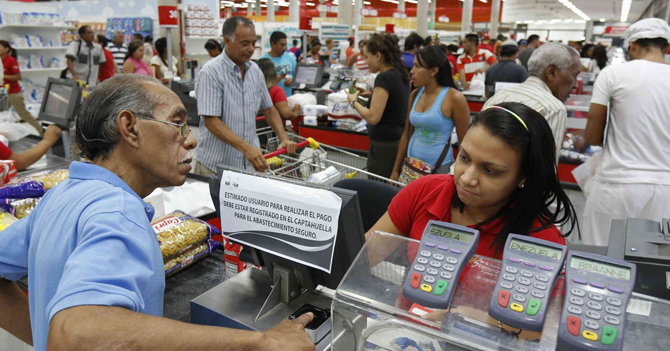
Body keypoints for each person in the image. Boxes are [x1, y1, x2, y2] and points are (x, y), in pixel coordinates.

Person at [0, 75, 315, 351]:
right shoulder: (118, 211)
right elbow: (76, 334)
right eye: (177, 123)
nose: (190, 139)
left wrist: (42, 336)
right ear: (130, 128)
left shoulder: (63, 194)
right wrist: (260, 343)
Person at [366, 102, 579, 263]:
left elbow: (544, 317)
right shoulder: (424, 190)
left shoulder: (542, 241)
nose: (467, 179)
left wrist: (490, 321)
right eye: (464, 158)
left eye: (489, 170)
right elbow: (364, 256)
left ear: (523, 176)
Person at [582, 18, 670, 246]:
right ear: (667, 48)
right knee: (656, 267)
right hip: (665, 189)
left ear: (632, 45)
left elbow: (592, 136)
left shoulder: (612, 75)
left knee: (603, 259)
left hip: (616, 184)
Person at [195, 17, 297, 175]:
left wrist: (283, 137)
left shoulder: (255, 70)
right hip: (216, 166)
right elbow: (211, 121)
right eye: (244, 43)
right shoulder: (211, 72)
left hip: (249, 165)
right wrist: (246, 148)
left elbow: (269, 109)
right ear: (227, 41)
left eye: (253, 43)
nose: (250, 49)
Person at [484, 42, 581, 164]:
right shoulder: (553, 108)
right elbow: (543, 172)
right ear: (551, 72)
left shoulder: (498, 97)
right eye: (574, 76)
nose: (576, 85)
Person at [391, 46, 470, 182]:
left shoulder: (454, 98)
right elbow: (406, 134)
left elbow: (465, 142)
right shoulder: (415, 94)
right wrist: (395, 170)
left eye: (417, 66)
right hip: (411, 168)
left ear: (433, 71)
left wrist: (461, 175)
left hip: (439, 170)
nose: (412, 72)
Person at [345, 33, 410, 178]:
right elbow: (394, 101)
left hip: (384, 147)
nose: (365, 61)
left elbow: (373, 117)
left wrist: (353, 101)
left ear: (378, 56)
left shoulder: (384, 77)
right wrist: (371, 95)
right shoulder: (399, 73)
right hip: (397, 143)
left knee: (379, 187)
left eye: (367, 57)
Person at [0, 40, 43, 136]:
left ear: (7, 49)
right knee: (3, 116)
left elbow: (18, 77)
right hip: (3, 93)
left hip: (13, 93)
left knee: (24, 114)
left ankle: (42, 132)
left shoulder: (11, 60)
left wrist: (3, 76)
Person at [257, 58, 302, 132]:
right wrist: (296, 113)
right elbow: (286, 114)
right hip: (275, 132)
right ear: (273, 73)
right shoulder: (277, 91)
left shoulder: (253, 90)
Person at [260, 31, 297, 98]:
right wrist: (273, 82)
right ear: (272, 44)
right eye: (282, 45)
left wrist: (292, 81)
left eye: (285, 45)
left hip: (289, 98)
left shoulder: (291, 58)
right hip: (271, 101)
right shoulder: (263, 61)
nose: (285, 48)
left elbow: (297, 78)